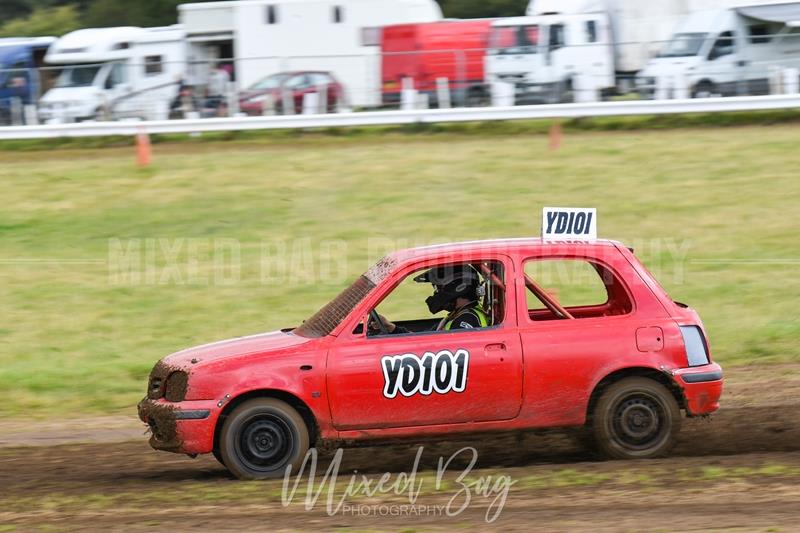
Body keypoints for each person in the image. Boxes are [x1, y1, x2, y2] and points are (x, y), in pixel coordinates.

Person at [371, 265, 489, 335]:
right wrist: (391, 327)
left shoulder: (467, 320)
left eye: (438, 288)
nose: (436, 293)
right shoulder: (456, 316)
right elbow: (422, 341)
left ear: (457, 287)